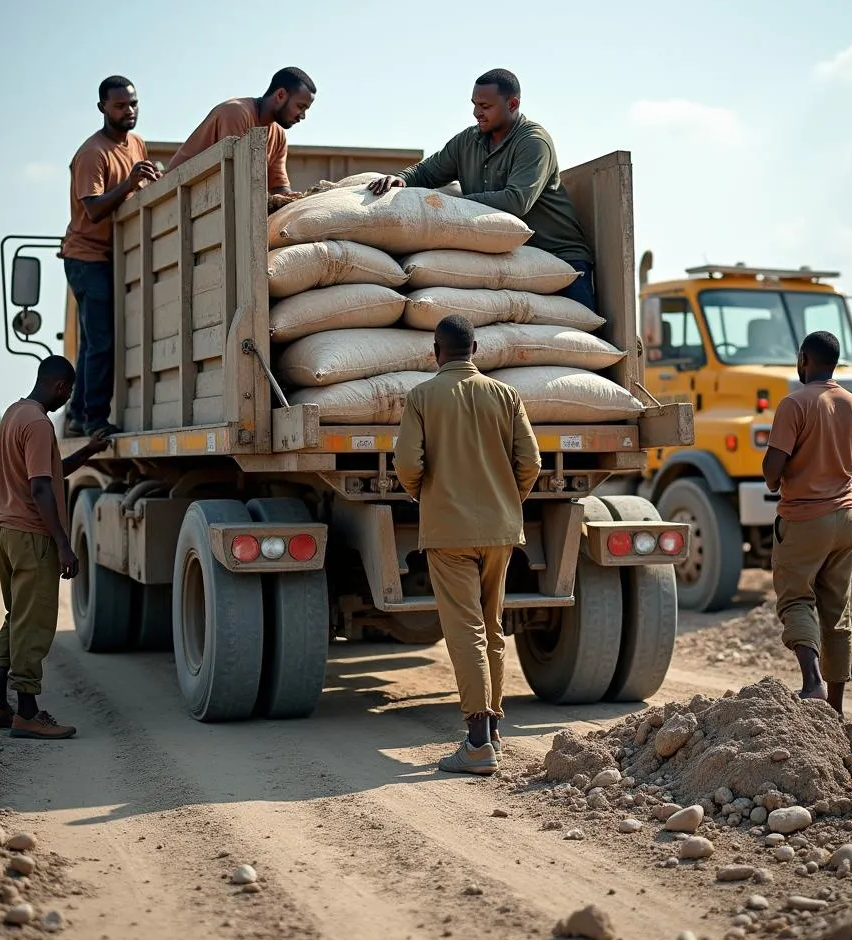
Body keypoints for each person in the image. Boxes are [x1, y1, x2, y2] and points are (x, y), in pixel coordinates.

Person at [394, 315, 541, 775]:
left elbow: (406, 462)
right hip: (500, 530)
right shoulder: (506, 395)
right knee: (492, 625)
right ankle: (494, 727)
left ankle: (477, 745)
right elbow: (531, 461)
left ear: (436, 352)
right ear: (475, 349)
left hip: (448, 532)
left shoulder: (422, 397)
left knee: (465, 631)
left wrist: (425, 495)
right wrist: (507, 500)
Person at [368, 69, 597, 311]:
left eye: (485, 106)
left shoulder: (533, 142)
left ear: (513, 104)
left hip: (561, 258)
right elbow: (427, 172)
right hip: (507, 259)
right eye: (475, 104)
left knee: (583, 340)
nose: (477, 113)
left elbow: (516, 201)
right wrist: (401, 179)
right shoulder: (467, 141)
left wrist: (451, 204)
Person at [0, 356, 111, 739]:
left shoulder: (14, 414)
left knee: (16, 617)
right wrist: (64, 545)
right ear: (60, 387)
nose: (67, 399)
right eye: (68, 392)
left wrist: (87, 452)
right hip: (32, 536)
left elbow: (47, 473)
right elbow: (40, 488)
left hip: (7, 530)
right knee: (34, 624)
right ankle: (28, 713)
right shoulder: (39, 424)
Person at [763, 330, 852, 716]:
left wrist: (777, 473)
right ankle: (835, 710)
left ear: (803, 358)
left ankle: (812, 683)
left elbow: (773, 472)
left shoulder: (794, 404)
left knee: (796, 597)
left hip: (807, 517)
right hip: (847, 518)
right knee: (837, 609)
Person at [59, 75, 160, 437]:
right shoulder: (92, 154)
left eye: (133, 103)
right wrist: (130, 183)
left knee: (92, 343)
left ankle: (77, 415)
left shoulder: (137, 143)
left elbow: (137, 188)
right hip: (87, 257)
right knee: (101, 342)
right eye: (120, 105)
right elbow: (95, 211)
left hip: (115, 256)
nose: (128, 111)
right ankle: (94, 420)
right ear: (102, 108)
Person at [165, 67, 317, 193]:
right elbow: (236, 178)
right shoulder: (236, 113)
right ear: (280, 95)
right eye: (300, 107)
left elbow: (279, 187)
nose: (302, 116)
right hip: (175, 198)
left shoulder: (279, 135)